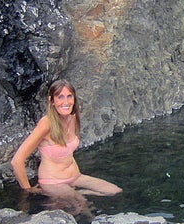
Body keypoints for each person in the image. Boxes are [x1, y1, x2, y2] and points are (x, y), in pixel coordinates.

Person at [11, 79, 121, 214]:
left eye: (69, 96)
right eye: (60, 97)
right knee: (81, 205)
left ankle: (79, 193)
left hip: (75, 176)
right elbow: (17, 161)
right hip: (53, 181)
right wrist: (28, 190)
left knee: (113, 191)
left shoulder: (73, 117)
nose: (66, 102)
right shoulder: (46, 124)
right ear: (52, 101)